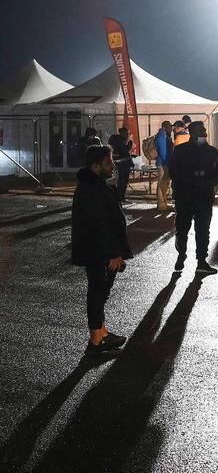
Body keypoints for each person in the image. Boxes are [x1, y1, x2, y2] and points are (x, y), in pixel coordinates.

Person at [71, 144, 133, 358]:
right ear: (96, 166)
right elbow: (100, 226)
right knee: (98, 293)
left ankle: (101, 333)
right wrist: (113, 253)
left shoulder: (95, 185)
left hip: (99, 251)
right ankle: (96, 341)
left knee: (100, 293)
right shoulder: (93, 189)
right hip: (99, 252)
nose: (113, 166)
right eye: (108, 163)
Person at [168, 120, 218, 274]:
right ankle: (181, 255)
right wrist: (190, 182)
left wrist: (209, 183)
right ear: (192, 133)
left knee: (203, 230)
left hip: (203, 197)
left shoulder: (211, 151)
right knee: (182, 229)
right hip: (185, 196)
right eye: (201, 131)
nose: (205, 133)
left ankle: (201, 261)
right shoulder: (180, 150)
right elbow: (172, 172)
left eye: (204, 131)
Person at [107, 126, 136, 203]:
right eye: (127, 133)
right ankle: (121, 198)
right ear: (123, 133)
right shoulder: (120, 140)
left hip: (118, 162)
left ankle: (118, 197)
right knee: (123, 182)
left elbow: (119, 151)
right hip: (123, 164)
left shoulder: (113, 139)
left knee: (120, 181)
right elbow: (125, 150)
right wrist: (130, 143)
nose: (128, 135)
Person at [155, 119, 174, 212]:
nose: (171, 128)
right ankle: (161, 205)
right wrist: (167, 164)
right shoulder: (162, 137)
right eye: (169, 126)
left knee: (164, 185)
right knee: (162, 185)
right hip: (163, 163)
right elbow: (163, 152)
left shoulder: (165, 136)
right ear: (164, 127)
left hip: (164, 163)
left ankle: (164, 204)